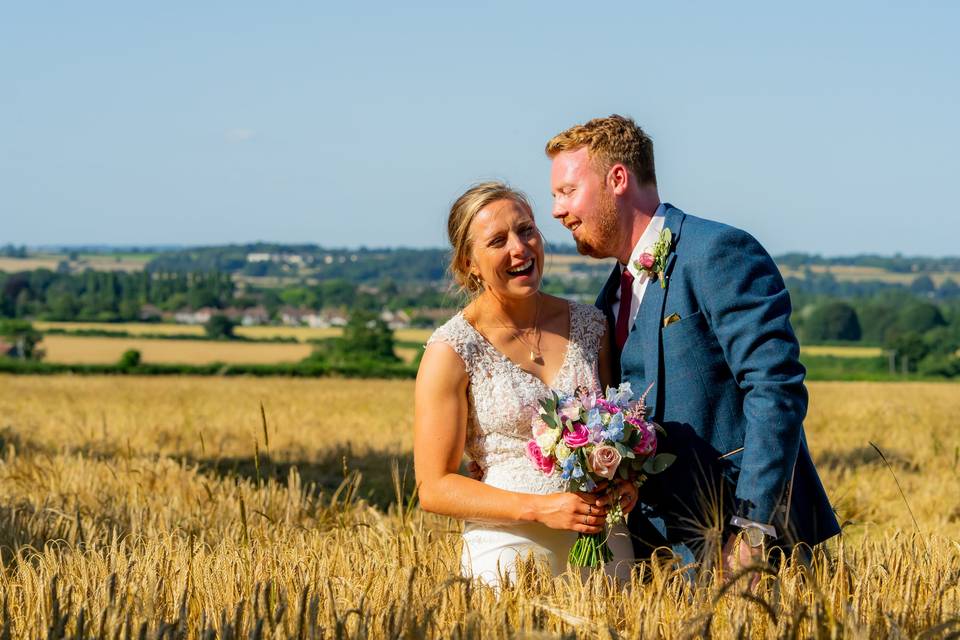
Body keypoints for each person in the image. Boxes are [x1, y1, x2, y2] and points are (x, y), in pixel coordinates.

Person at [546, 115, 840, 574]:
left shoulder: (718, 252)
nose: (557, 211)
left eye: (567, 191)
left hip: (745, 542)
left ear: (617, 179)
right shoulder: (609, 296)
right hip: (656, 551)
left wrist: (754, 527)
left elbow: (775, 387)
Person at [414, 182, 637, 587]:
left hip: (602, 545)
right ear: (470, 264)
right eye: (498, 240)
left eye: (526, 230)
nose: (520, 248)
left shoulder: (591, 327)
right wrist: (539, 509)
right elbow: (434, 487)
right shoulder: (451, 351)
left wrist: (626, 482)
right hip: (509, 554)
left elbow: (617, 431)